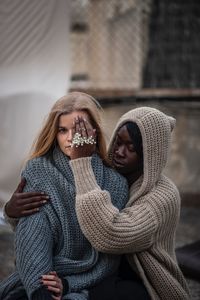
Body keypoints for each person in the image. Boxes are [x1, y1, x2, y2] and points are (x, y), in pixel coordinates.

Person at [3, 106, 190, 299]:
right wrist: (11, 212)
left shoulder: (162, 196)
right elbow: (63, 220)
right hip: (99, 273)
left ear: (150, 155)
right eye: (117, 142)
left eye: (131, 148)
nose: (119, 152)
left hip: (141, 281)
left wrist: (81, 163)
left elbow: (110, 236)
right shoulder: (109, 176)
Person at [0, 92, 129, 300]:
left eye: (78, 129)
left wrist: (69, 285)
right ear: (54, 133)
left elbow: (110, 255)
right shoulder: (38, 170)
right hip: (41, 273)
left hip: (86, 278)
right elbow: (31, 231)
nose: (70, 138)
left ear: (93, 132)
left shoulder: (116, 183)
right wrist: (10, 213)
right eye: (62, 130)